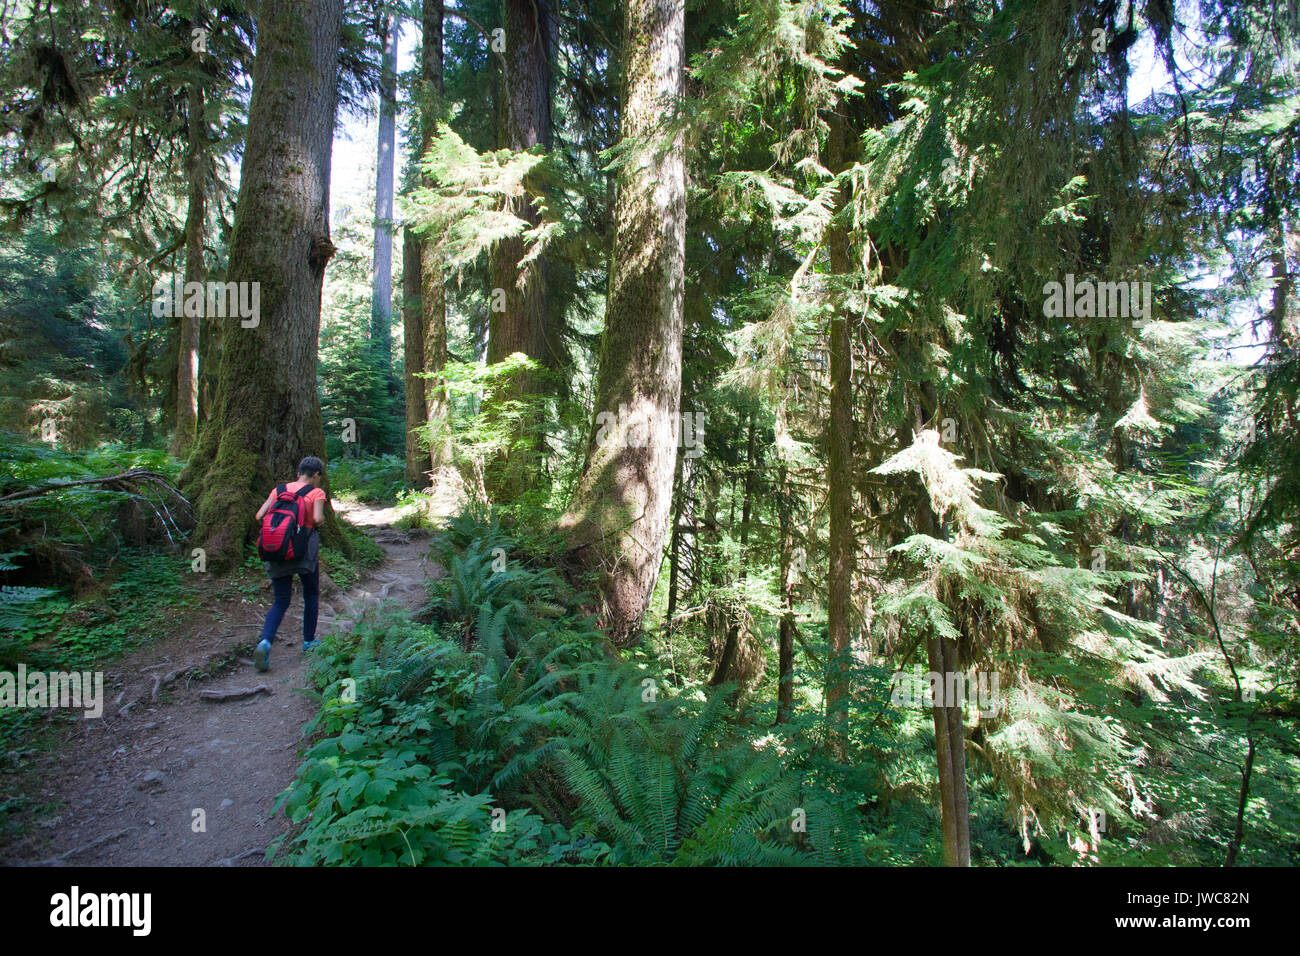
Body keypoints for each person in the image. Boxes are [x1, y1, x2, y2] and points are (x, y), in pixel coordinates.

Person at [252, 456, 328, 672]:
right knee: (311, 594)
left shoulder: (279, 490)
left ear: (298, 473)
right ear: (316, 475)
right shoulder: (316, 492)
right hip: (303, 552)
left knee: (281, 601)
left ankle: (265, 642)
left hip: (278, 550)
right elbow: (318, 519)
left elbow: (260, 515)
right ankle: (308, 642)